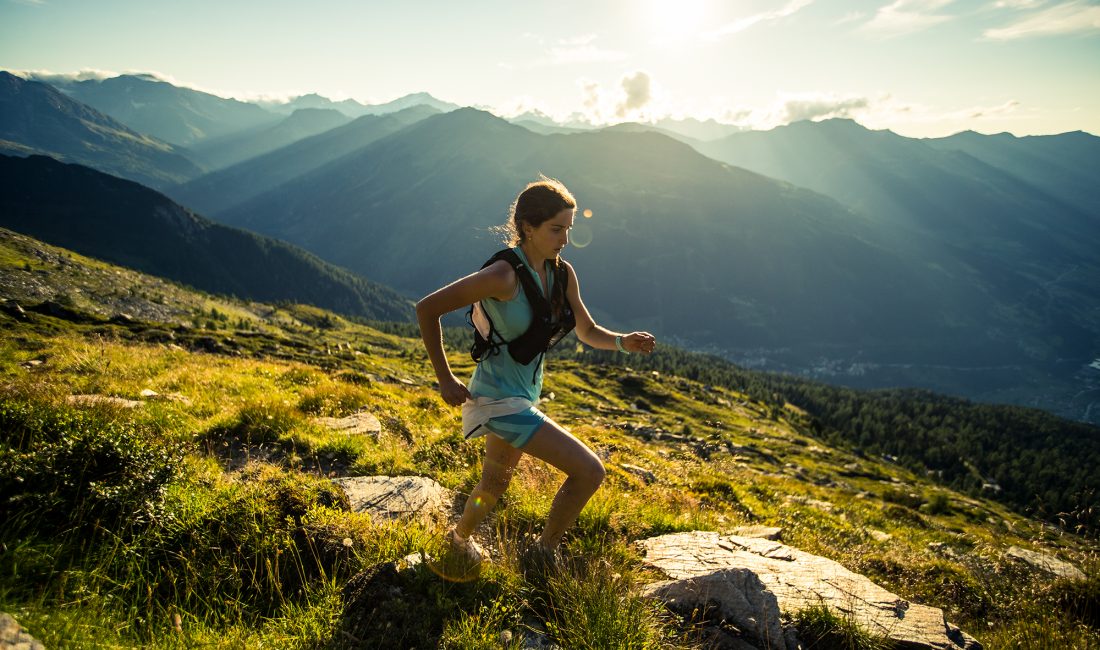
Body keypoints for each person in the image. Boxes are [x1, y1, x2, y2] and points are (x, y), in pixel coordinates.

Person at [415, 177, 656, 572]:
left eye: (569, 230)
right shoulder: (502, 276)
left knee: (493, 484)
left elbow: (587, 330)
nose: (564, 239)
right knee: (590, 470)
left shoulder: (562, 274)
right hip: (496, 400)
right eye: (556, 229)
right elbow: (427, 309)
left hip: (521, 396)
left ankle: (456, 541)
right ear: (528, 227)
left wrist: (622, 342)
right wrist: (444, 378)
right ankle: (543, 553)